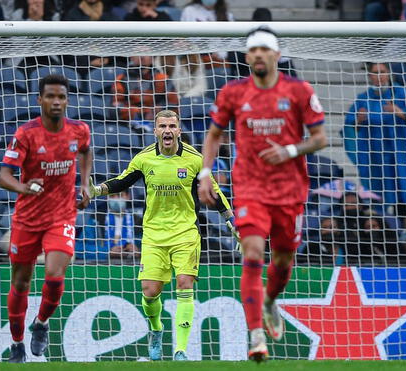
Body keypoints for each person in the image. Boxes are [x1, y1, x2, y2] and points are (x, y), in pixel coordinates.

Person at [198, 26, 328, 362]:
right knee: (253, 254)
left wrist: (288, 151)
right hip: (250, 187)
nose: (257, 54)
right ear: (247, 56)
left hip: (289, 191)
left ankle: (270, 300)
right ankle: (256, 336)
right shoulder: (232, 92)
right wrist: (205, 173)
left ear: (276, 55)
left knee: (283, 260)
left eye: (263, 49)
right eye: (252, 49)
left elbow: (320, 138)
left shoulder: (298, 90)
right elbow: (213, 135)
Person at [87, 109, 238, 361]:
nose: (167, 130)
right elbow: (122, 182)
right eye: (162, 126)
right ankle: (156, 329)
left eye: (171, 126)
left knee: (185, 285)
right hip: (154, 234)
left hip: (185, 233)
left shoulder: (194, 159)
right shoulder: (144, 158)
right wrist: (98, 190)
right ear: (155, 131)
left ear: (178, 130)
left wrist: (231, 221)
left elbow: (214, 191)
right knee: (149, 292)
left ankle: (181, 350)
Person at [0, 74, 92, 363]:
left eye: (61, 97)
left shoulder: (79, 130)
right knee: (21, 283)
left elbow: (86, 152)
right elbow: (3, 176)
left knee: (54, 273)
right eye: (50, 96)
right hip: (27, 219)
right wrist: (23, 187)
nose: (56, 102)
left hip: (61, 215)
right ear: (40, 100)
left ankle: (40, 323)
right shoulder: (26, 134)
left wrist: (85, 184)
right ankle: (17, 344)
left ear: (67, 100)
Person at [342, 62, 406, 223]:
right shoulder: (363, 99)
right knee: (381, 191)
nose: (379, 76)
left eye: (382, 72)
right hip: (377, 157)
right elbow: (349, 128)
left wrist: (400, 113)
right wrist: (358, 121)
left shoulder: (403, 94)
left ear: (389, 74)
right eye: (375, 72)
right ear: (369, 76)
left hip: (404, 154)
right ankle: (387, 228)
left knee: (404, 189)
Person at [104, 191, 141, 260]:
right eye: (112, 196)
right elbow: (79, 247)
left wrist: (137, 249)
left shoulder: (138, 221)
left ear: (128, 196)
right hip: (102, 265)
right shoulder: (96, 219)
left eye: (119, 195)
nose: (116, 199)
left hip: (131, 265)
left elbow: (149, 245)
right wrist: (107, 251)